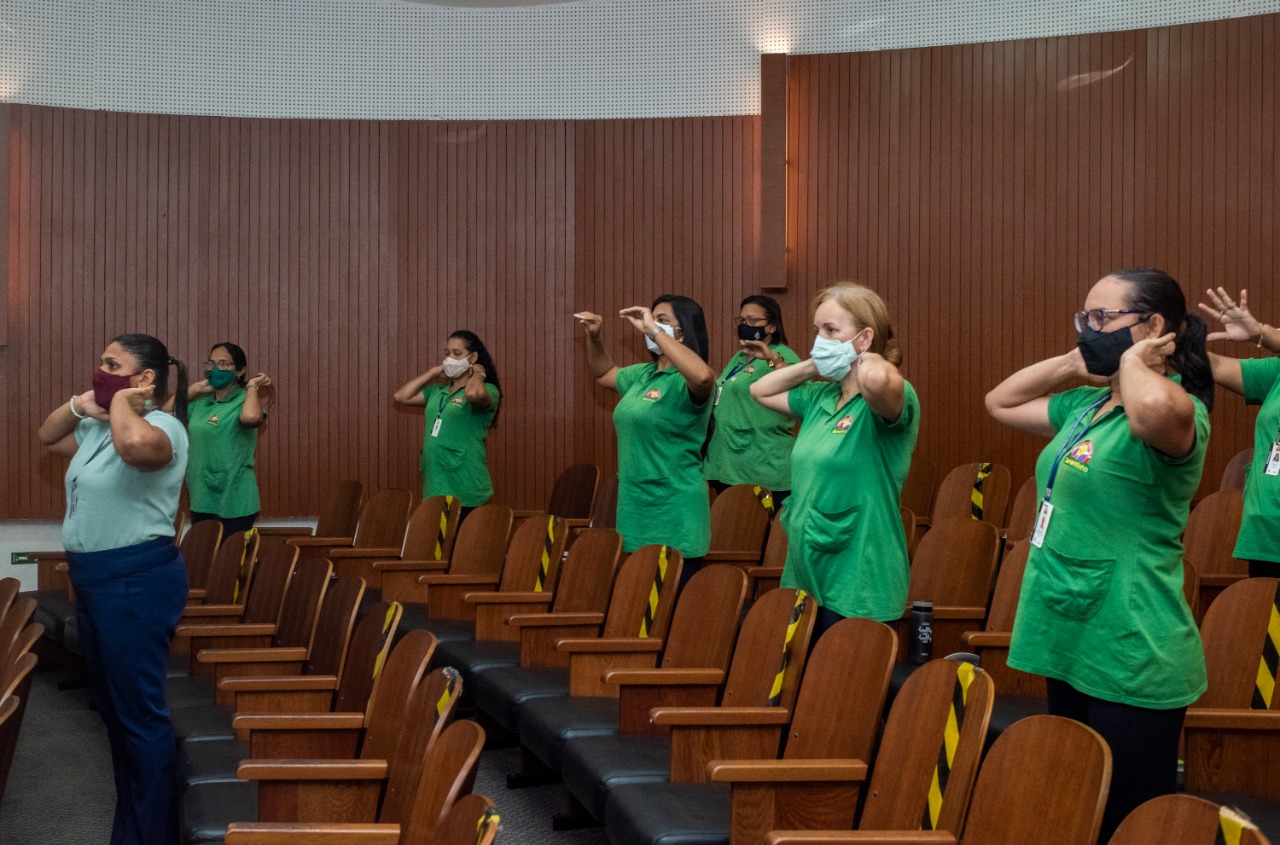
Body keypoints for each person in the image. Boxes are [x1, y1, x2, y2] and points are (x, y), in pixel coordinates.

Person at [984, 268, 1213, 842]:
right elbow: (1001, 401)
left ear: (1154, 326)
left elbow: (1152, 414)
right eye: (1084, 318)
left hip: (1131, 642)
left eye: (1103, 319)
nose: (1090, 330)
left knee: (1131, 822)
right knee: (1077, 801)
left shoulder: (1181, 411)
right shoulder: (1086, 408)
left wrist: (1135, 363)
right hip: (1070, 630)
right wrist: (1072, 362)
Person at [36, 333, 191, 845]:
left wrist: (123, 402)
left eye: (112, 364)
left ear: (145, 378)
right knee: (115, 712)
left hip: (135, 579)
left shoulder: (163, 426)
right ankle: (132, 825)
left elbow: (134, 449)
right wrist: (82, 405)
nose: (100, 370)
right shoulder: (99, 428)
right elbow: (47, 436)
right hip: (96, 580)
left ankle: (151, 834)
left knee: (139, 715)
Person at [750, 283, 918, 638]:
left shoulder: (887, 398)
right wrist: (816, 364)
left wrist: (864, 354)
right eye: (816, 330)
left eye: (830, 330)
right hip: (807, 568)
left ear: (864, 337)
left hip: (860, 573)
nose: (819, 339)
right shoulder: (818, 397)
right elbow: (760, 390)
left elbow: (875, 378)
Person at [574, 296, 716, 582]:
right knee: (637, 607)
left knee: (671, 613)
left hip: (675, 509)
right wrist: (595, 337)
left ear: (684, 332)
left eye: (663, 320)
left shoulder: (686, 379)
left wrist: (653, 331)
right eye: (653, 319)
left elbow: (702, 377)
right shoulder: (644, 375)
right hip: (635, 506)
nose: (651, 325)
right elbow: (604, 373)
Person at [1198, 287, 1280, 578]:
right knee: (1269, 624)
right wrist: (1163, 337)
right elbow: (1216, 366)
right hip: (1267, 536)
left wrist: (1260, 332)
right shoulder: (1277, 371)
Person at [703, 295, 801, 501]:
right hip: (728, 459)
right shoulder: (740, 357)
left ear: (772, 327)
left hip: (761, 461)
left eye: (753, 321)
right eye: (742, 320)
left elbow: (796, 389)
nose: (745, 325)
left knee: (760, 529)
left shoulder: (783, 356)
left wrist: (772, 359)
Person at [394, 330, 501, 516]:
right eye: (447, 353)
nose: (450, 358)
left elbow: (473, 394)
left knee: (463, 544)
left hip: (464, 486)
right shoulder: (438, 392)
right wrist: (434, 371)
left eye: (457, 353)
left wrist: (479, 373)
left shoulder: (488, 390)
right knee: (437, 544)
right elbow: (401, 396)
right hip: (435, 485)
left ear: (473, 357)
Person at [184, 342, 274, 535]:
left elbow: (251, 418)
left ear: (240, 371)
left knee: (228, 562)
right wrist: (196, 388)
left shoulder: (245, 400)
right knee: (204, 559)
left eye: (224, 364)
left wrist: (252, 387)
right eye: (211, 363)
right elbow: (167, 412)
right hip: (201, 495)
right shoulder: (201, 403)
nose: (216, 369)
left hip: (235, 497)